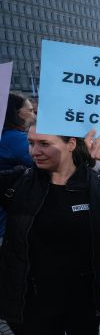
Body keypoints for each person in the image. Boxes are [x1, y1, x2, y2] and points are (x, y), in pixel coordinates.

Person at [0, 126, 100, 335]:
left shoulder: (98, 183)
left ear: (71, 144)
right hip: (33, 299)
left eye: (44, 143)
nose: (34, 151)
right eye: (31, 143)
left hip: (83, 296)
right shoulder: (18, 182)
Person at [0, 93, 36, 243]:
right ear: (16, 113)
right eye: (30, 110)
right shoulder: (14, 138)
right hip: (7, 221)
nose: (34, 115)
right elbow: (53, 162)